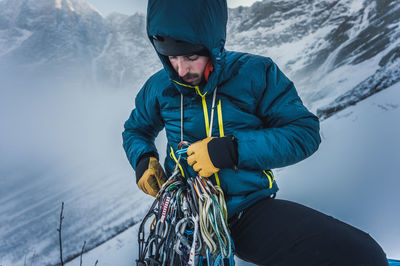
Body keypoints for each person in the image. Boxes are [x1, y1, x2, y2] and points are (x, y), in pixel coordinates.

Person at [122, 0, 388, 264]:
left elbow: (304, 133)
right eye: (172, 57)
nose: (181, 70)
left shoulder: (256, 73)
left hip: (249, 212)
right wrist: (144, 159)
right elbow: (136, 129)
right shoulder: (158, 87)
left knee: (362, 255)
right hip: (184, 221)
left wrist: (231, 151)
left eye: (191, 57)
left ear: (212, 45)